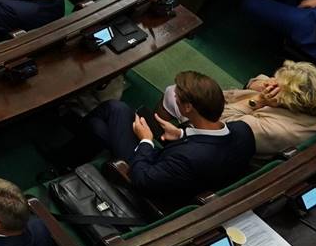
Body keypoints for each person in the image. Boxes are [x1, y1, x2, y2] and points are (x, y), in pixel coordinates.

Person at [84, 71, 255, 204]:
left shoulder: (188, 157)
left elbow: (142, 180)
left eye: (177, 96)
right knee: (110, 115)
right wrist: (181, 133)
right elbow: (211, 143)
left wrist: (146, 141)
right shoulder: (243, 130)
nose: (173, 96)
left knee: (104, 119)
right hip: (180, 170)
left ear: (188, 107)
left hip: (154, 181)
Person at [216, 62, 316, 155]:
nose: (271, 82)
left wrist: (257, 101)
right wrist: (259, 85)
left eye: (276, 84)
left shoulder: (275, 130)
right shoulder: (314, 103)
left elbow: (215, 120)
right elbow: (259, 81)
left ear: (287, 100)